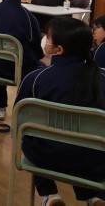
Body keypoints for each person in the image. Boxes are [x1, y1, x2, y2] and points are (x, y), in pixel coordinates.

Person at [16, 17, 105, 206]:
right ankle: (95, 196)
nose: (45, 39)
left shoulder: (35, 78)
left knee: (29, 135)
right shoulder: (101, 78)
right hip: (96, 162)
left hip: (47, 158)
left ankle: (50, 195)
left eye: (48, 37)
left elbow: (19, 119)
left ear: (59, 49)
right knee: (83, 146)